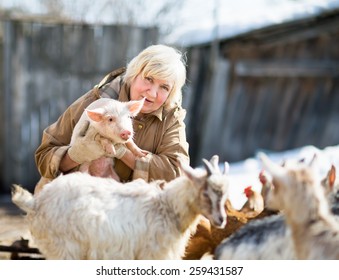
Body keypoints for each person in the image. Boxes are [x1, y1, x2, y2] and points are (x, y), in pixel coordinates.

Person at [34, 44, 190, 191]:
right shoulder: (96, 102)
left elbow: (176, 173)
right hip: (78, 201)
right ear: (134, 74)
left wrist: (123, 152)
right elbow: (44, 156)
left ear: (171, 93)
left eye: (164, 87)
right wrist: (76, 154)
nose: (152, 93)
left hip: (136, 209)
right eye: (149, 79)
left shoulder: (171, 118)